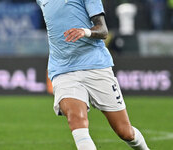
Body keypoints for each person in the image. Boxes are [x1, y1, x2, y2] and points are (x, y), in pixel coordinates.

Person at [36, 0, 150, 149]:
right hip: (63, 69)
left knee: (125, 132)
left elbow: (103, 30)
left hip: (96, 66)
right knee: (76, 121)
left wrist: (85, 31)